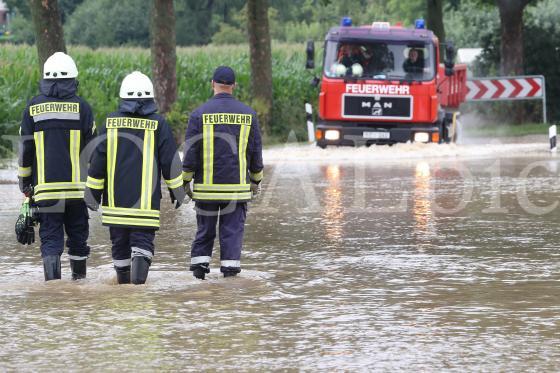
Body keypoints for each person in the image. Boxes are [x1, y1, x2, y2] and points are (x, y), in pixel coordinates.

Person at [85, 71, 186, 285]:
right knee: (142, 243)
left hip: (115, 204)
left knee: (119, 245)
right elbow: (171, 162)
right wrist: (177, 191)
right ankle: (138, 290)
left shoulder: (110, 123)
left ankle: (123, 290)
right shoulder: (159, 124)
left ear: (123, 97)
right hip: (145, 206)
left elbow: (97, 162)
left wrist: (92, 194)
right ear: (150, 98)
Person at [18, 52, 96, 281]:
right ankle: (78, 285)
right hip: (76, 191)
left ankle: (54, 290)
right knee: (78, 239)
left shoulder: (32, 108)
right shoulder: (82, 107)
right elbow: (94, 152)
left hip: (46, 191)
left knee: (51, 239)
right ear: (73, 80)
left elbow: (25, 150)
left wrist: (25, 183)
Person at [182, 66, 263, 280]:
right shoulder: (249, 115)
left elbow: (190, 153)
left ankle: (199, 276)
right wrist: (256, 180)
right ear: (234, 86)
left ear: (212, 84)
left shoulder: (198, 114)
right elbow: (255, 152)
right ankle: (230, 279)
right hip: (236, 191)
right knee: (232, 233)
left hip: (206, 191)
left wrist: (185, 182)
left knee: (204, 231)